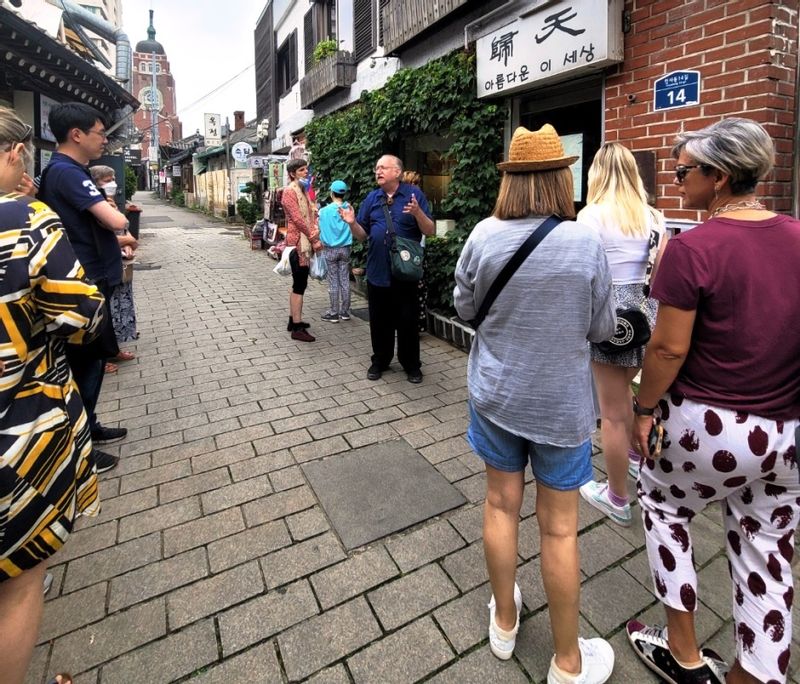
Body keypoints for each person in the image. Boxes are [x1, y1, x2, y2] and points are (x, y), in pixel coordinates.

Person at [628, 117, 800, 684]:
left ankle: (683, 655)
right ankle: (754, 675)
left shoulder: (693, 248)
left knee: (663, 507)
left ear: (720, 177)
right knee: (768, 558)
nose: (677, 181)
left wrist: (644, 409)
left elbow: (669, 350)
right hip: (786, 434)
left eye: (685, 172)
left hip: (711, 424)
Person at [453, 124, 617, 683]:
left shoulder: (482, 235)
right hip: (561, 407)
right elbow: (603, 326)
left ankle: (504, 623)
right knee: (560, 530)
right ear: (559, 177)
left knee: (500, 506)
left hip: (496, 395)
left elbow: (465, 305)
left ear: (510, 182)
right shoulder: (585, 242)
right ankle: (568, 662)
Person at [0, 106, 103, 684]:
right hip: (15, 430)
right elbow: (83, 316)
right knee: (15, 587)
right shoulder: (25, 220)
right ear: (17, 154)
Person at [576, 143, 667, 527]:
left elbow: (583, 275)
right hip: (647, 316)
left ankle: (616, 498)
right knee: (629, 399)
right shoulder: (655, 217)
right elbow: (661, 270)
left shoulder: (590, 216)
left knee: (611, 415)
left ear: (597, 173)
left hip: (609, 318)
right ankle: (633, 461)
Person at [37, 103, 130, 473]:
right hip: (85, 284)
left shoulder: (67, 172)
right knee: (86, 365)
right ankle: (80, 448)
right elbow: (115, 218)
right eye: (99, 132)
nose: (104, 138)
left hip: (91, 278)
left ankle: (89, 426)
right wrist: (117, 220)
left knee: (91, 363)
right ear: (76, 134)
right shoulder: (68, 173)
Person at [340, 154, 434, 383]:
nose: (378, 171)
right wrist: (352, 223)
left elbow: (430, 230)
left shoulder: (414, 195)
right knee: (379, 322)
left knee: (407, 321)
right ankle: (380, 360)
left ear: (397, 172)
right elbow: (363, 236)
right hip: (378, 271)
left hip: (405, 273)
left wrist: (417, 213)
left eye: (383, 168)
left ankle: (411, 364)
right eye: (376, 168)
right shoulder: (372, 198)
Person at [89, 165, 138, 373]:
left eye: (113, 179)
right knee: (101, 313)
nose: (113, 184)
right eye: (107, 180)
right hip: (98, 266)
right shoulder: (91, 204)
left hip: (114, 263)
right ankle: (100, 358)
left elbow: (121, 227)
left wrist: (126, 244)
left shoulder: (106, 203)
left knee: (110, 310)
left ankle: (112, 350)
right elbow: (103, 233)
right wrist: (125, 240)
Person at [281, 158, 322, 342]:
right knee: (299, 284)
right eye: (302, 170)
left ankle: (293, 320)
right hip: (298, 243)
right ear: (292, 173)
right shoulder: (290, 192)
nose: (306, 172)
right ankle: (297, 328)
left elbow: (310, 214)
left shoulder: (303, 190)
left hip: (303, 240)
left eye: (306, 169)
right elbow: (298, 220)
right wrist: (314, 239)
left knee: (299, 283)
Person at [318, 179, 353, 323]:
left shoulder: (324, 211)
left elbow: (318, 228)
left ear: (331, 193)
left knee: (333, 280)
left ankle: (333, 312)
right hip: (345, 248)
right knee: (344, 279)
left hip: (330, 249)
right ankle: (345, 312)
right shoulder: (349, 209)